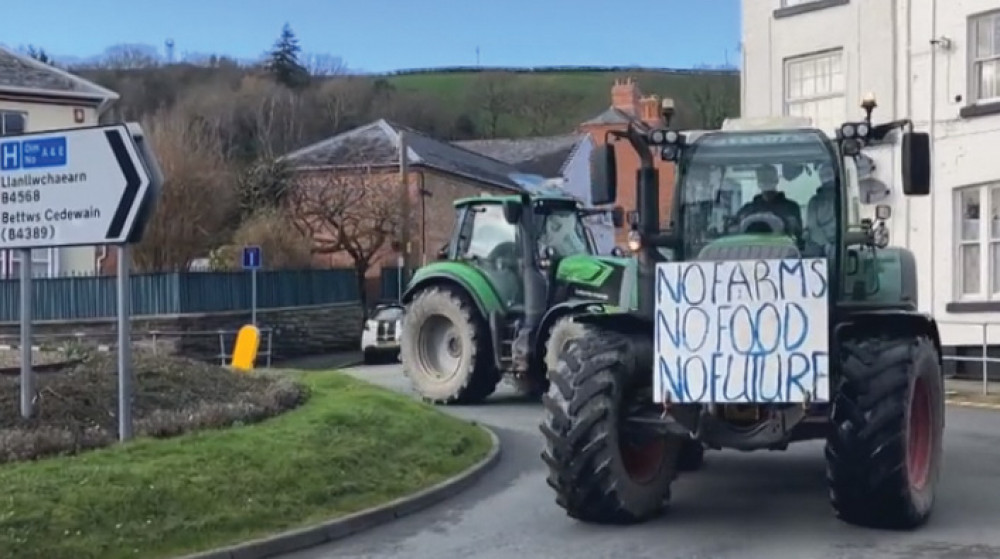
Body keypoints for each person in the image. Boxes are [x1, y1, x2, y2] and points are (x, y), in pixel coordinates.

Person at [734, 164, 803, 238]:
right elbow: (734, 231)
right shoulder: (747, 210)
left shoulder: (791, 208)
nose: (766, 181)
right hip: (751, 248)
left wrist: (792, 226)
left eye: (769, 179)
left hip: (781, 247)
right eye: (764, 180)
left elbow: (799, 237)